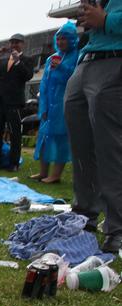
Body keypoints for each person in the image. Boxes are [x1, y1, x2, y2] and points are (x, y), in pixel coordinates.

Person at [65, 0, 122, 253]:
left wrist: (106, 20)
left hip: (115, 59)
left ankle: (117, 228)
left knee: (109, 149)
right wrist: (87, 18)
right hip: (87, 59)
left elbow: (106, 19)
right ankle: (83, 216)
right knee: (81, 146)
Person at [31, 23, 79, 184]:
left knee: (60, 139)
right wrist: (42, 106)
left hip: (65, 104)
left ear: (72, 39)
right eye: (58, 39)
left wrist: (62, 67)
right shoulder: (51, 58)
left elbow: (76, 80)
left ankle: (56, 175)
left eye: (64, 38)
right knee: (44, 138)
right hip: (49, 105)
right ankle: (43, 172)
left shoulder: (77, 57)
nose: (60, 42)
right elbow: (44, 84)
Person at [0, 34, 34, 170]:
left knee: (15, 133)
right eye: (12, 43)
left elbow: (28, 76)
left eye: (17, 43)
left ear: (22, 44)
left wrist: (18, 61)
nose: (14, 45)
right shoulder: (2, 61)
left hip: (14, 102)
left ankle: (13, 163)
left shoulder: (27, 60)